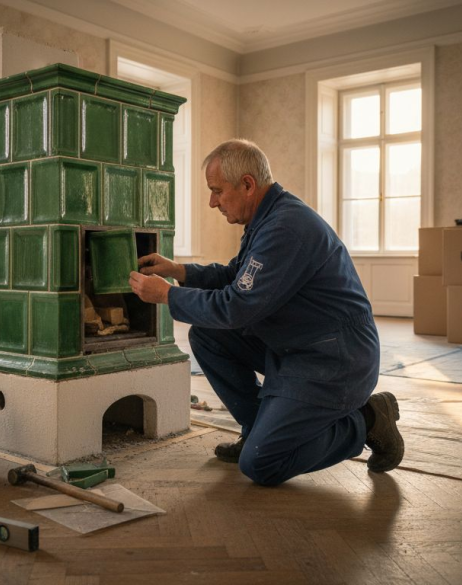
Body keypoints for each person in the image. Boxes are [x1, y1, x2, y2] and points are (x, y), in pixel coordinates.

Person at [128, 139, 403, 486]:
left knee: (262, 464)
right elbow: (237, 277)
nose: (212, 202)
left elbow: (236, 308)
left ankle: (367, 419)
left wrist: (168, 295)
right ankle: (256, 429)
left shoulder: (285, 228)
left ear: (246, 184)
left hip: (333, 360)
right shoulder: (268, 217)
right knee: (207, 334)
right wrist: (180, 272)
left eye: (217, 191)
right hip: (299, 345)